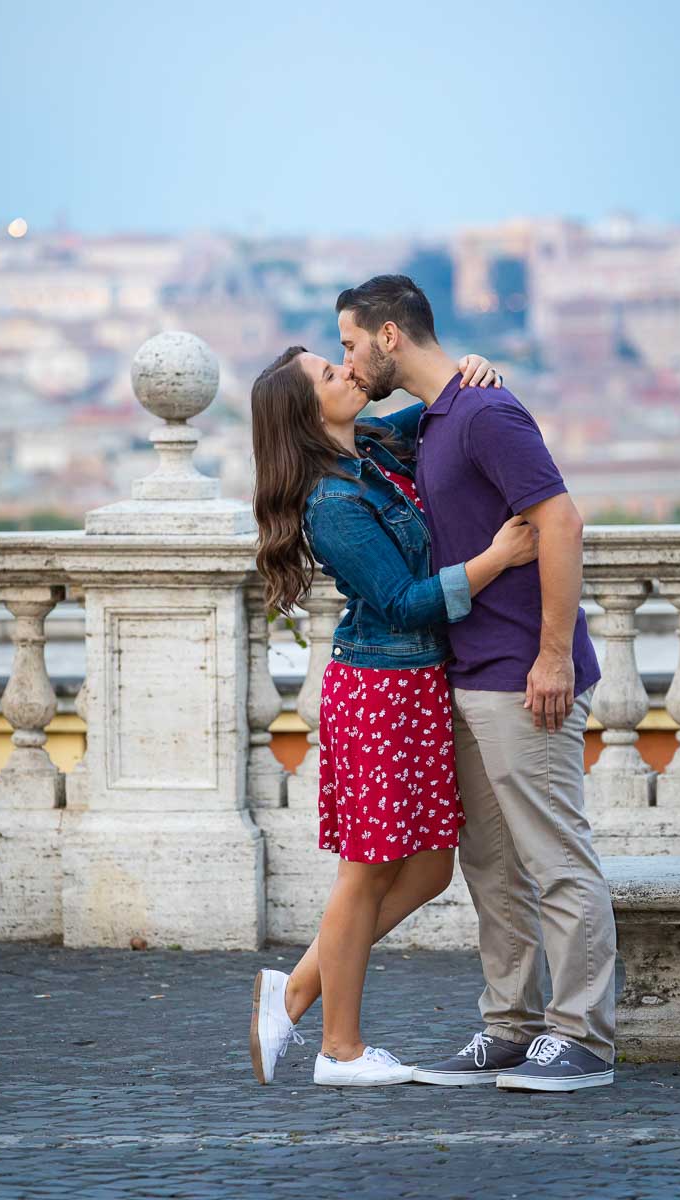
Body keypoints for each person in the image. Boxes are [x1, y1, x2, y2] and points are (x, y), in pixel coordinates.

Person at [335, 275, 617, 1093]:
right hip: (466, 673)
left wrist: (554, 654)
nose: (350, 362)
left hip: (525, 677)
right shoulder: (433, 420)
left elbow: (561, 521)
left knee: (555, 858)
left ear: (390, 335)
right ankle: (511, 1028)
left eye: (352, 343)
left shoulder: (485, 411)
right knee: (491, 867)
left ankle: (583, 1039)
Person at [249, 347, 539, 1088]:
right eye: (328, 375)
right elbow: (406, 600)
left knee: (431, 868)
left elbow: (440, 402)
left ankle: (294, 990)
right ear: (307, 415)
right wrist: (497, 558)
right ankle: (339, 1050)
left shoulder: (374, 447)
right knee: (367, 872)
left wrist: (471, 366)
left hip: (414, 688)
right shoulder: (333, 502)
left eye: (336, 361)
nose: (346, 373)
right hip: (379, 691)